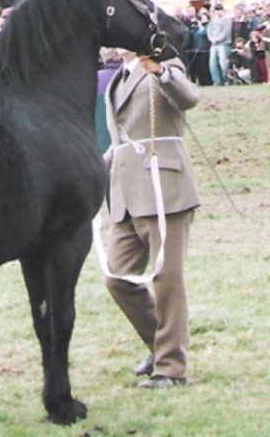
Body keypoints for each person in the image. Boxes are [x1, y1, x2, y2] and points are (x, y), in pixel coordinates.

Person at [103, 49, 200, 389]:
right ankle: (160, 347)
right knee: (117, 277)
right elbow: (120, 143)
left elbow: (189, 98)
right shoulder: (116, 78)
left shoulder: (165, 67)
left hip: (165, 190)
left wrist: (162, 73)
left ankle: (172, 368)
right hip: (126, 196)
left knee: (167, 281)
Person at [207, 2, 232, 85]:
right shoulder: (213, 20)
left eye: (220, 10)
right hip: (213, 45)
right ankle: (216, 81)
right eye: (216, 10)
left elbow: (226, 32)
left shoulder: (227, 19)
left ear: (223, 10)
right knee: (212, 64)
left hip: (223, 44)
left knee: (223, 64)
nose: (218, 12)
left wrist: (218, 39)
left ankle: (226, 80)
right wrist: (211, 39)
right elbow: (209, 31)